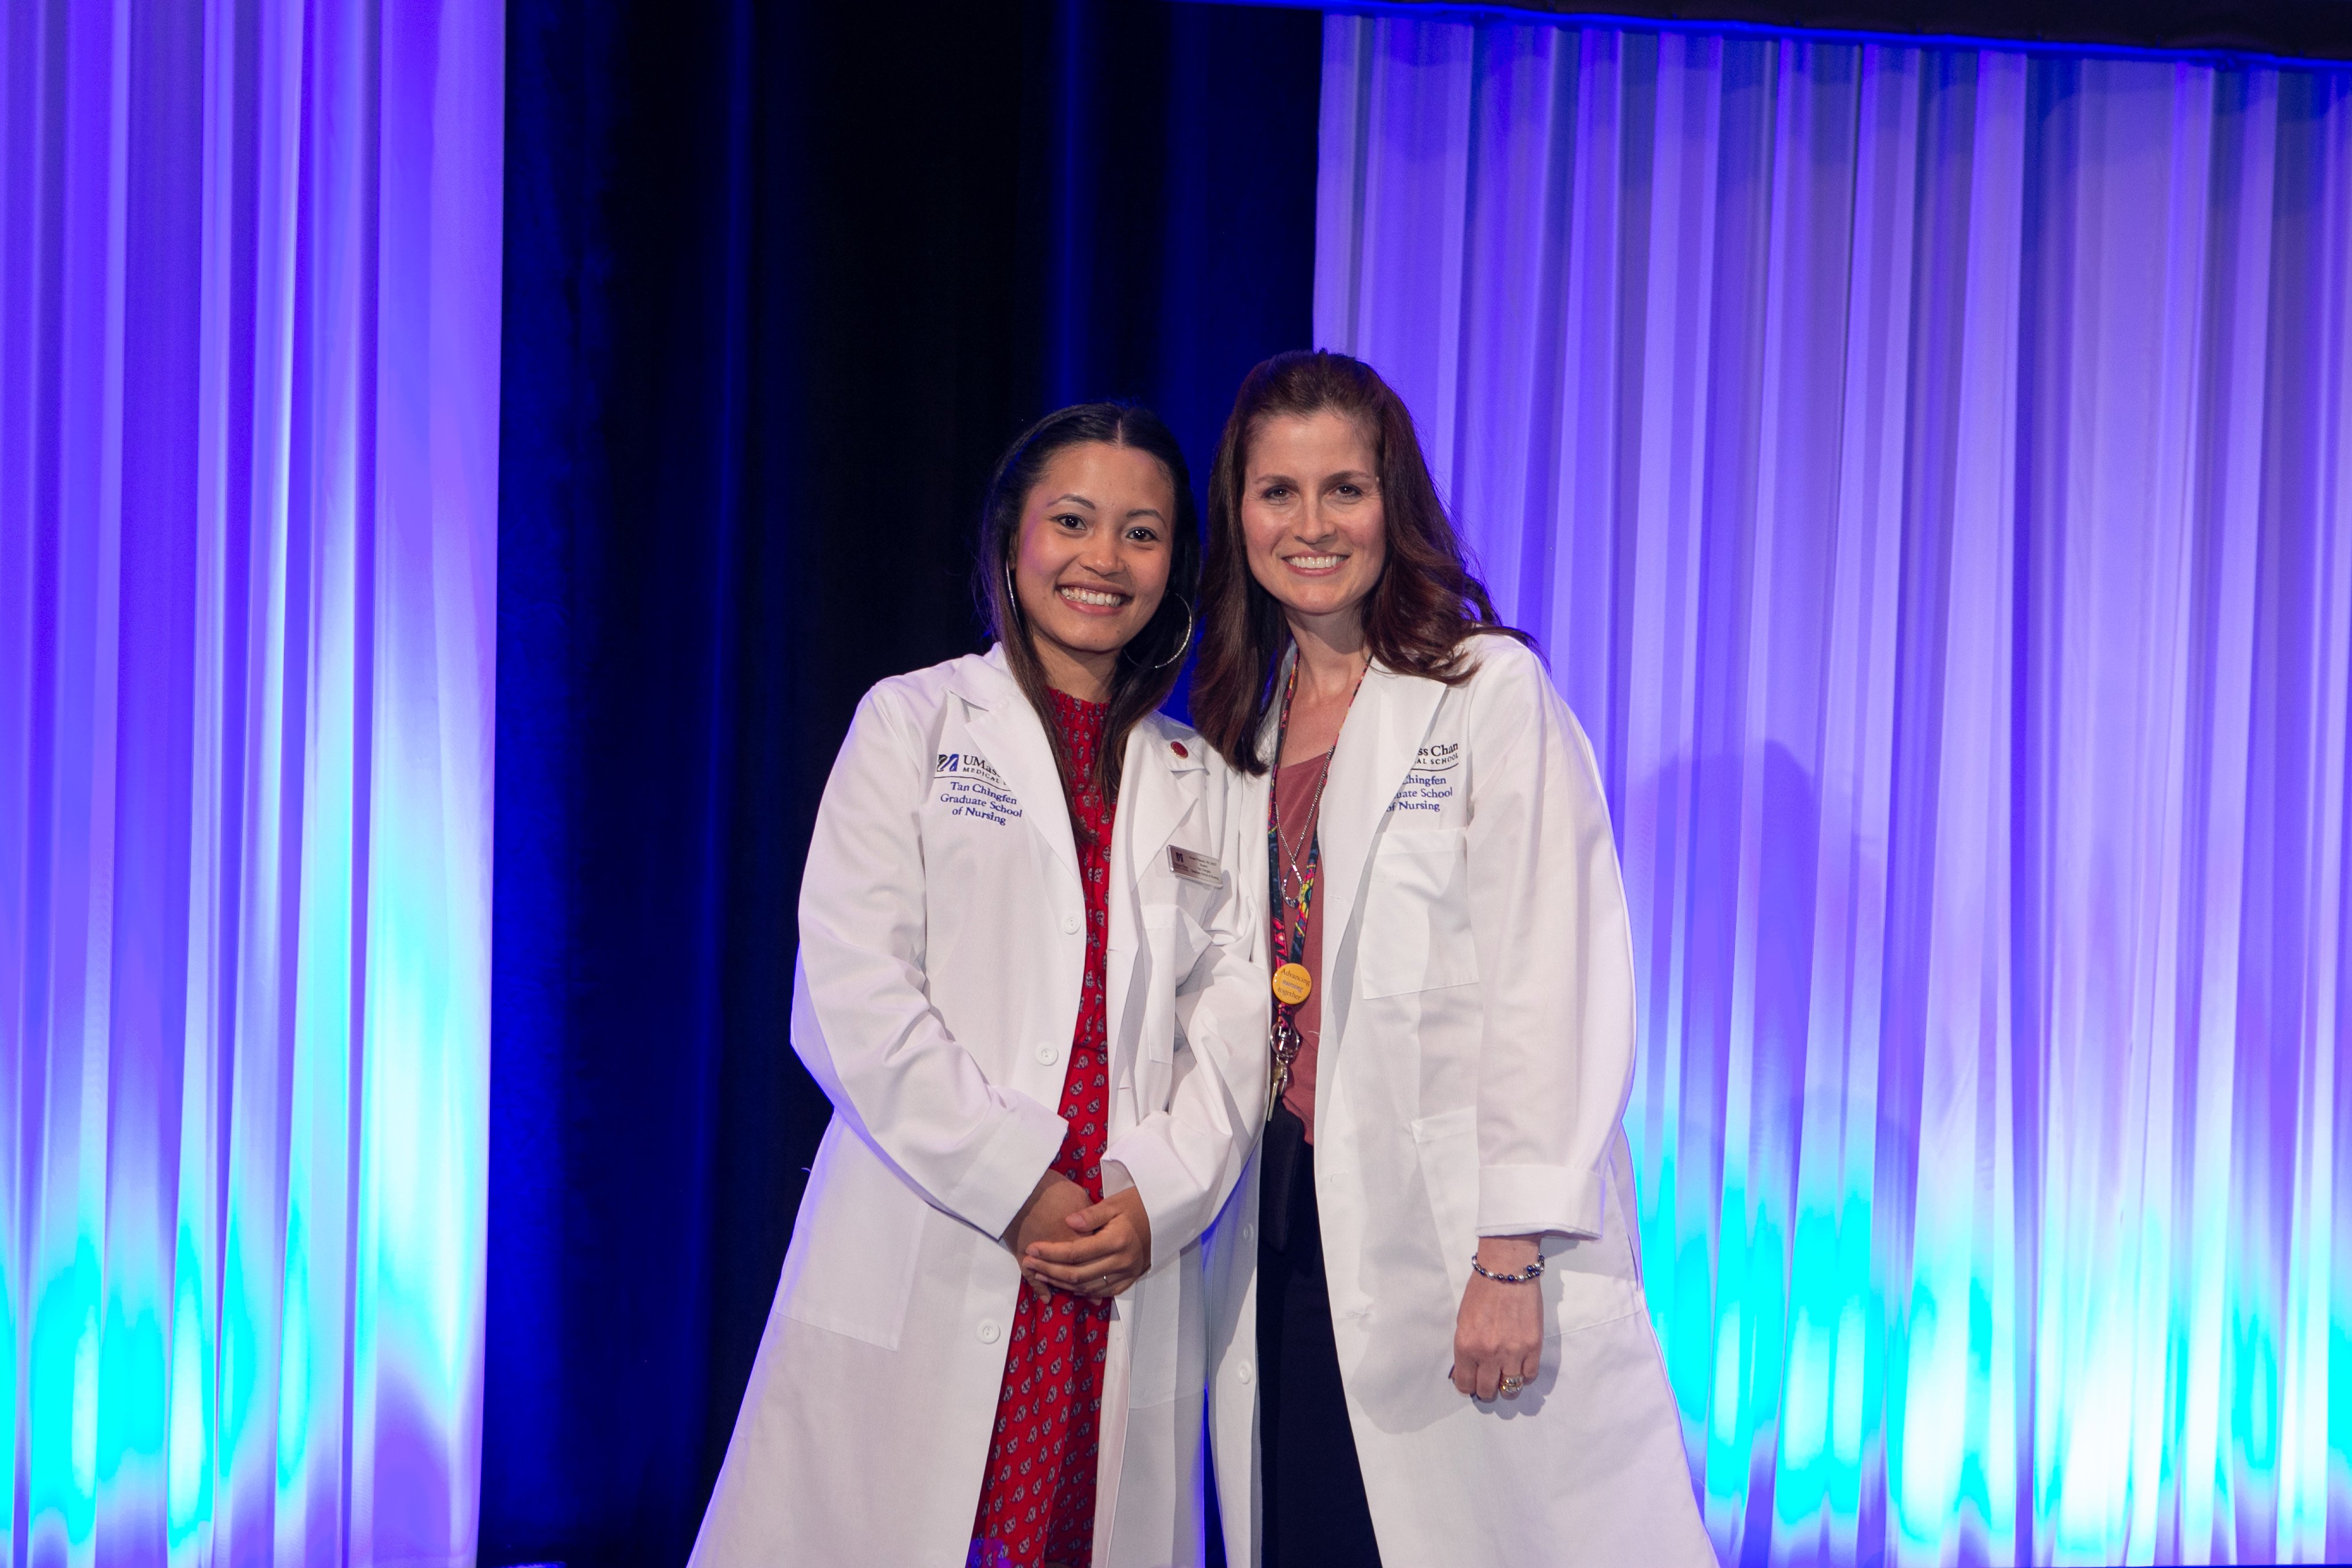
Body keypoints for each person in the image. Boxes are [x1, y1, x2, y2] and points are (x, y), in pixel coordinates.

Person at [691, 403, 1268, 1568]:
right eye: (1073, 521)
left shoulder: (1203, 775)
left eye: (1143, 532)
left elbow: (1236, 1016)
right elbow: (851, 988)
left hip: (1116, 1246)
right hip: (948, 1216)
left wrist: (1153, 1196)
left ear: (1177, 565)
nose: (1104, 559)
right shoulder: (912, 721)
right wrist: (1012, 1180)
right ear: (1013, 538)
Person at [1191, 352, 1713, 1567]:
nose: (1312, 526)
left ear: (1395, 504)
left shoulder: (1486, 691)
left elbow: (1554, 978)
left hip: (1462, 1240)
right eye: (1278, 493)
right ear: (1240, 513)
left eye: (1345, 489)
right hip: (1284, 1227)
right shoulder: (1237, 724)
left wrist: (1511, 1252)